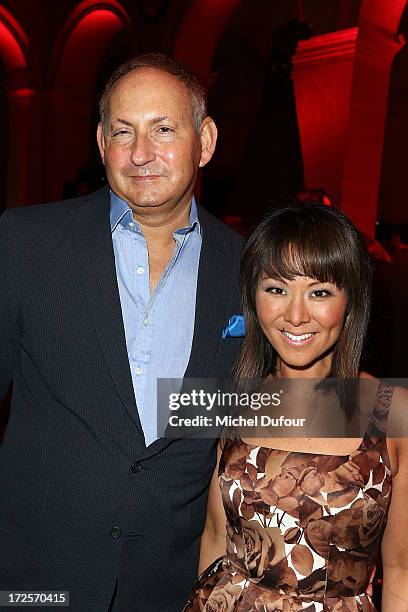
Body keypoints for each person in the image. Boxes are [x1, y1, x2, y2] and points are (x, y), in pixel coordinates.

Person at [0, 54, 244, 611]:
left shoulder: (249, 270)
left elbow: (255, 407)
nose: (141, 154)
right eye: (123, 132)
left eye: (163, 129)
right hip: (33, 582)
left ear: (205, 141)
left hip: (166, 588)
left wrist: (379, 407)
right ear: (100, 142)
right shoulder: (25, 244)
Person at [184, 205, 408, 610]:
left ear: (350, 300)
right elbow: (216, 539)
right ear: (253, 297)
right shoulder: (234, 398)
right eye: (276, 288)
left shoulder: (392, 413)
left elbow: (401, 572)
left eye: (319, 292)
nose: (296, 315)